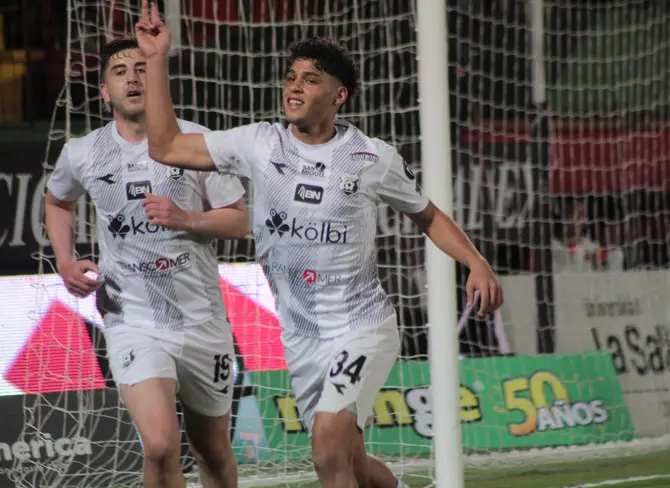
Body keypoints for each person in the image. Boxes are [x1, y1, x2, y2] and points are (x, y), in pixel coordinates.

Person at [136, 2, 504, 487]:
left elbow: (429, 216)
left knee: (329, 447)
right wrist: (156, 59)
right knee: (350, 463)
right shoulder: (260, 144)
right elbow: (165, 146)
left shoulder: (370, 158)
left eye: (310, 80)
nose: (294, 86)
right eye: (291, 77)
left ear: (338, 95)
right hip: (301, 339)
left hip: (361, 327)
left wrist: (475, 262)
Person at [44, 37, 248, 488]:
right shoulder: (83, 152)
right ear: (105, 92)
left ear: (155, 78)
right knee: (159, 445)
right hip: (131, 318)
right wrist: (64, 259)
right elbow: (57, 201)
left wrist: (187, 218)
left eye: (141, 68)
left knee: (213, 453)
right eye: (120, 72)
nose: (132, 78)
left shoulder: (197, 143)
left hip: (202, 320)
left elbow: (239, 220)